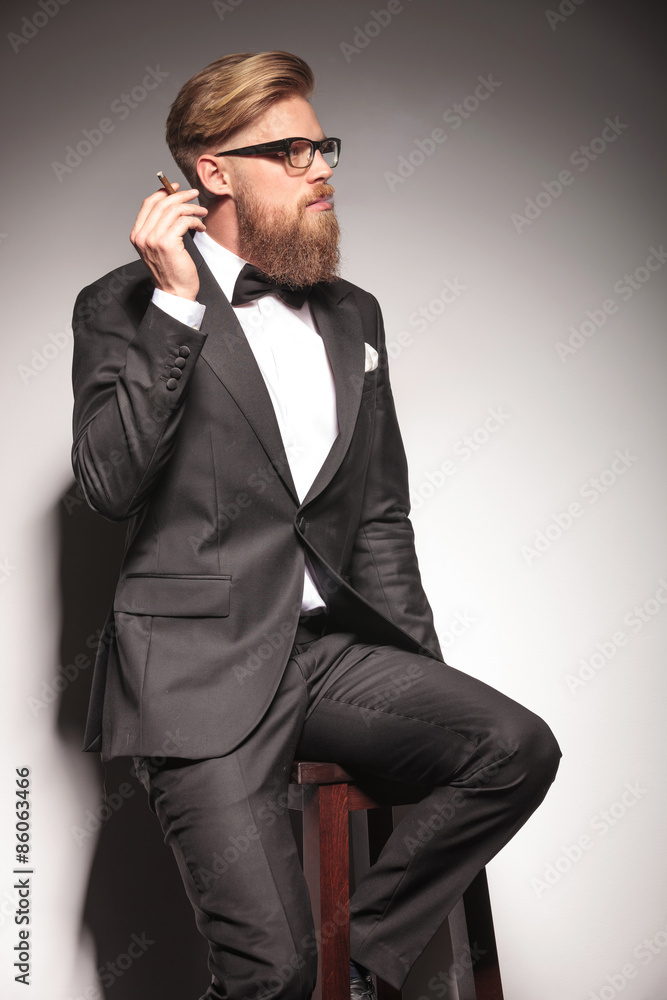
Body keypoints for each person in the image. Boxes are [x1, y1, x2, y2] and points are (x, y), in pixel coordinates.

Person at [71, 50, 561, 1000]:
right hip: (196, 667)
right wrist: (174, 304)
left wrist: (422, 673)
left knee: (514, 749)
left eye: (321, 146)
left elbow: (377, 515)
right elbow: (107, 484)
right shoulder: (122, 305)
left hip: (328, 657)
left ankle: (360, 968)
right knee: (272, 977)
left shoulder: (352, 315)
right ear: (213, 172)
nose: (321, 169)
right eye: (290, 152)